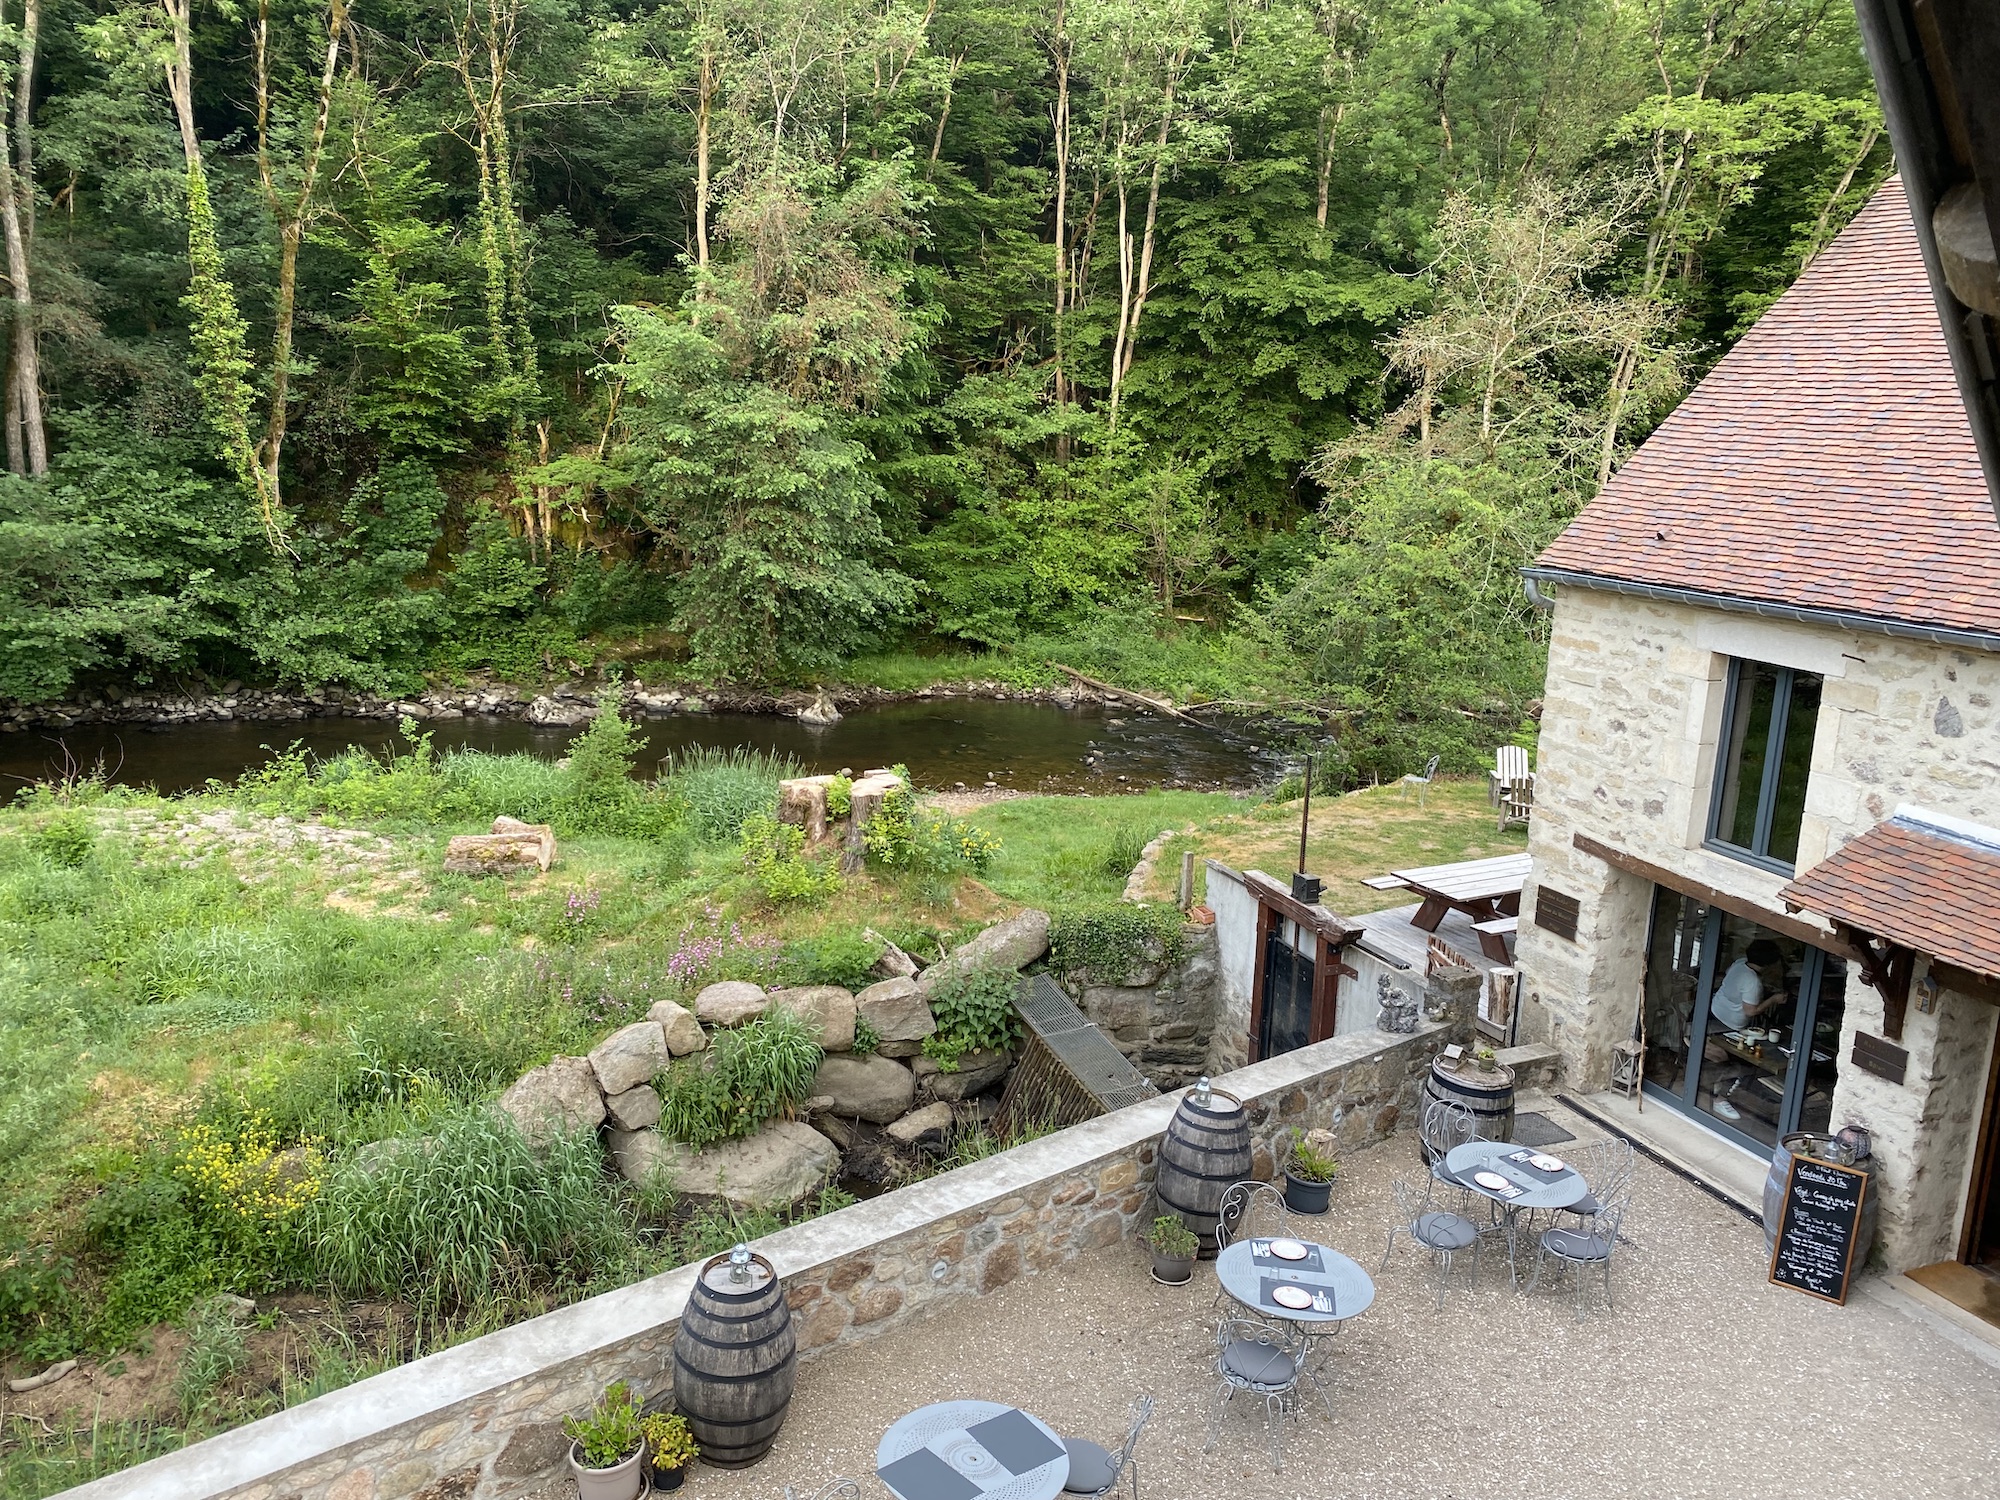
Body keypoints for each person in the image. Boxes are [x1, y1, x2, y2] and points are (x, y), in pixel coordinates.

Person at [1710, 939, 1788, 1030]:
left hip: (1717, 1007)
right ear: (1769, 964)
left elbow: (1733, 979)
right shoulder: (1753, 981)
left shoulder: (1740, 962)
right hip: (1732, 1022)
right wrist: (1774, 999)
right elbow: (1750, 1011)